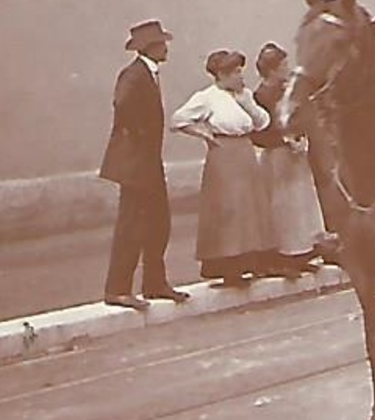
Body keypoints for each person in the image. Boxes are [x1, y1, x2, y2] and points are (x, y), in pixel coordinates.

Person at [99, 19, 188, 310]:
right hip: (136, 163)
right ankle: (117, 289)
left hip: (148, 160)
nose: (166, 48)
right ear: (151, 47)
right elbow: (122, 105)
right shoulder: (134, 75)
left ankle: (154, 284)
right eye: (162, 44)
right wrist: (138, 136)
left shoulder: (147, 74)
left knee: (158, 222)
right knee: (132, 224)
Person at [172, 49, 272, 286]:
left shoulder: (244, 95)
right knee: (229, 211)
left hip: (245, 152)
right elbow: (178, 119)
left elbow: (263, 122)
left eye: (240, 71)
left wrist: (248, 104)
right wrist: (204, 134)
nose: (240, 77)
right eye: (236, 72)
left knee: (249, 209)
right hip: (224, 155)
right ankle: (229, 268)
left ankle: (252, 262)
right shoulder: (208, 97)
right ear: (222, 74)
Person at [252, 42, 328, 280]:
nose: (287, 68)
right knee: (283, 205)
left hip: (296, 152)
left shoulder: (288, 90)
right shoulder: (260, 95)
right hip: (277, 155)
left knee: (301, 205)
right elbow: (261, 129)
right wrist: (285, 139)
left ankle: (303, 253)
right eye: (283, 65)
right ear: (272, 69)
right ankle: (285, 256)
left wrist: (302, 136)